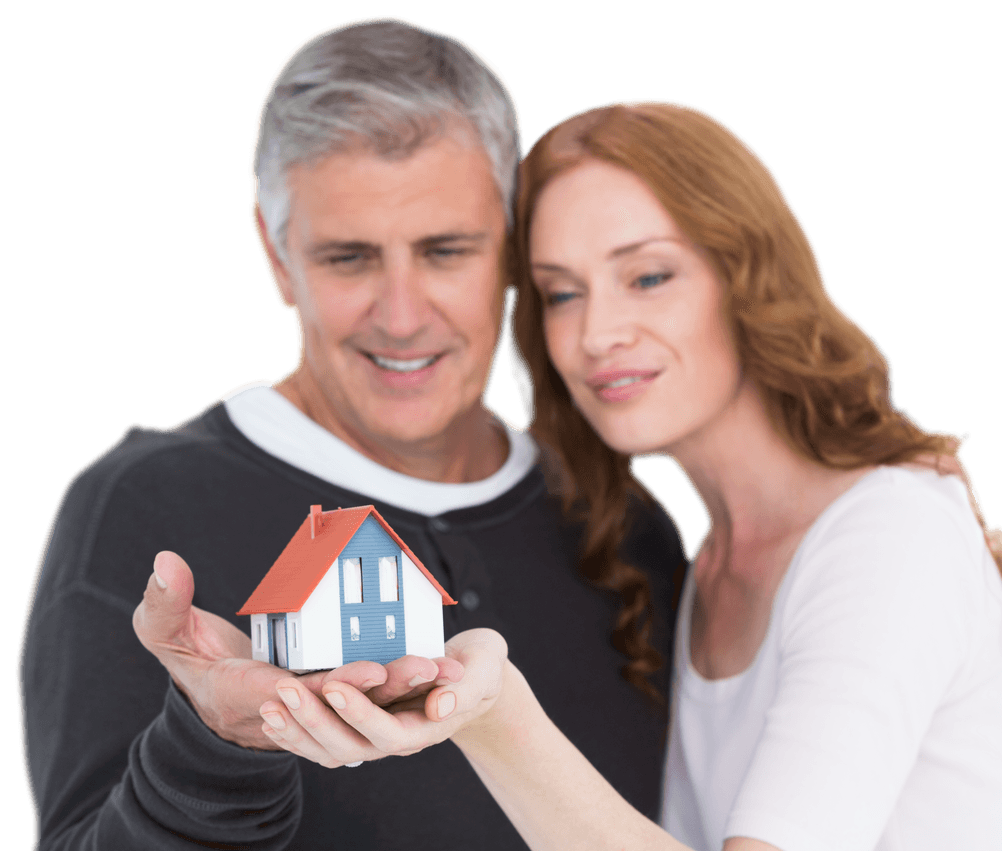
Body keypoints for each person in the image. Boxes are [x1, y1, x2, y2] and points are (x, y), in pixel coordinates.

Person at [256, 101, 1002, 851]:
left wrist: (495, 717)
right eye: (561, 293)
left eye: (647, 276)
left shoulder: (888, 538)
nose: (596, 332)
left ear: (750, 277)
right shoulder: (703, 562)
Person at [16, 25, 686, 850]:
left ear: (515, 243)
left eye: (446, 250)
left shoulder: (626, 527)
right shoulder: (143, 512)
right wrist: (214, 748)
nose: (401, 317)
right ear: (276, 252)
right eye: (348, 257)